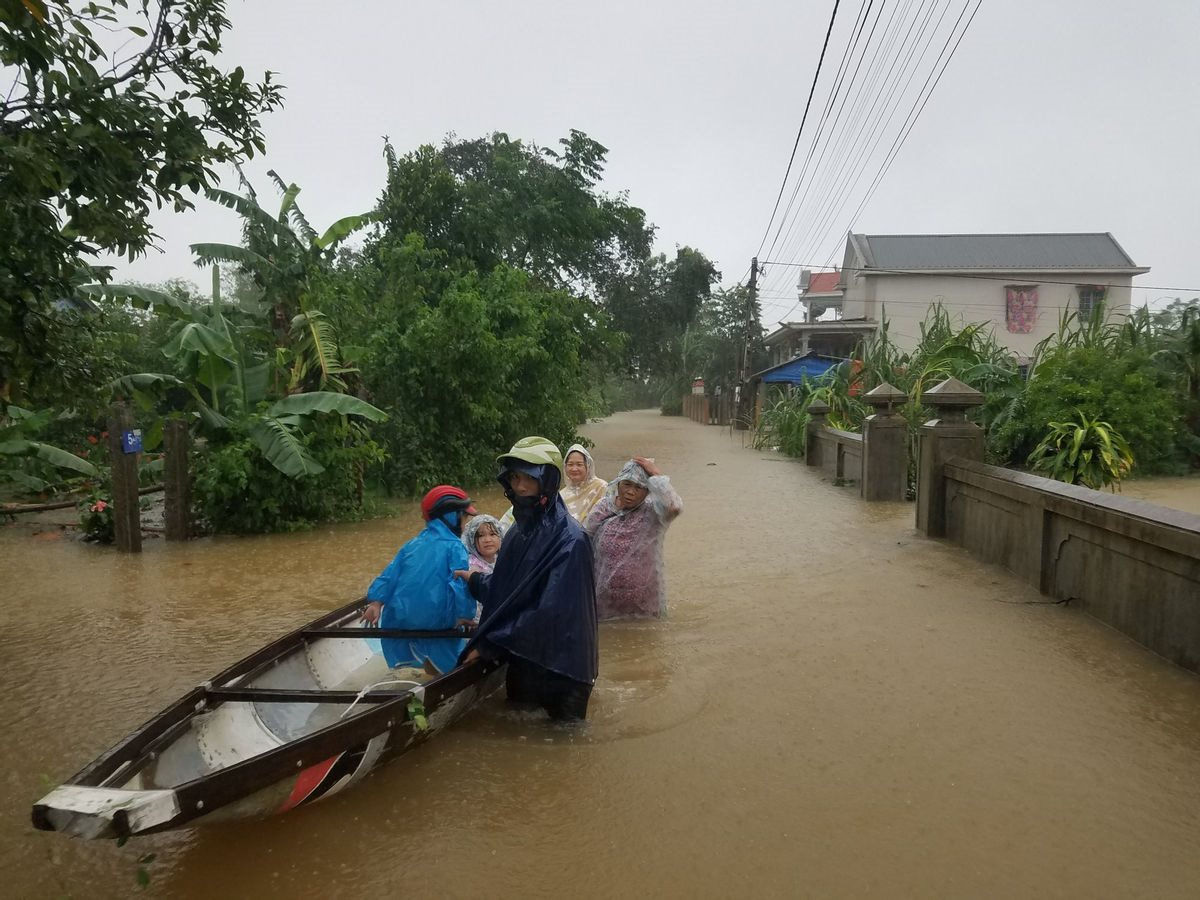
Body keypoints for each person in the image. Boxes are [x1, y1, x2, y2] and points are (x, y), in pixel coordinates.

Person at [459, 436, 598, 721]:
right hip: (524, 658)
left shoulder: (572, 541)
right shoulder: (517, 532)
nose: (519, 487)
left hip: (564, 670)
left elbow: (548, 611)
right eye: (514, 477)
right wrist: (475, 581)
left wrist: (490, 643)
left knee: (565, 749)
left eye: (528, 478)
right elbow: (509, 589)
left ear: (547, 479)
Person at [361, 485, 479, 675]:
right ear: (450, 516)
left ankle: (424, 673)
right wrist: (465, 614)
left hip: (401, 619)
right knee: (453, 654)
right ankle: (446, 678)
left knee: (424, 648)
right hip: (437, 621)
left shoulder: (412, 544)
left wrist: (376, 602)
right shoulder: (455, 546)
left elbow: (390, 574)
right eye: (464, 517)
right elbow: (460, 585)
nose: (465, 524)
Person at [583, 456, 683, 620]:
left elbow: (675, 507)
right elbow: (584, 542)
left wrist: (656, 475)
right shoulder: (603, 507)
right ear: (618, 483)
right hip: (605, 603)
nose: (630, 491)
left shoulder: (653, 513)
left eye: (639, 487)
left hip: (645, 603)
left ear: (648, 491)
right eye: (627, 484)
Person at [560, 443, 608, 523]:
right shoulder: (561, 495)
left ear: (587, 466)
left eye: (579, 464)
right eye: (570, 464)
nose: (574, 469)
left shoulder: (601, 487)